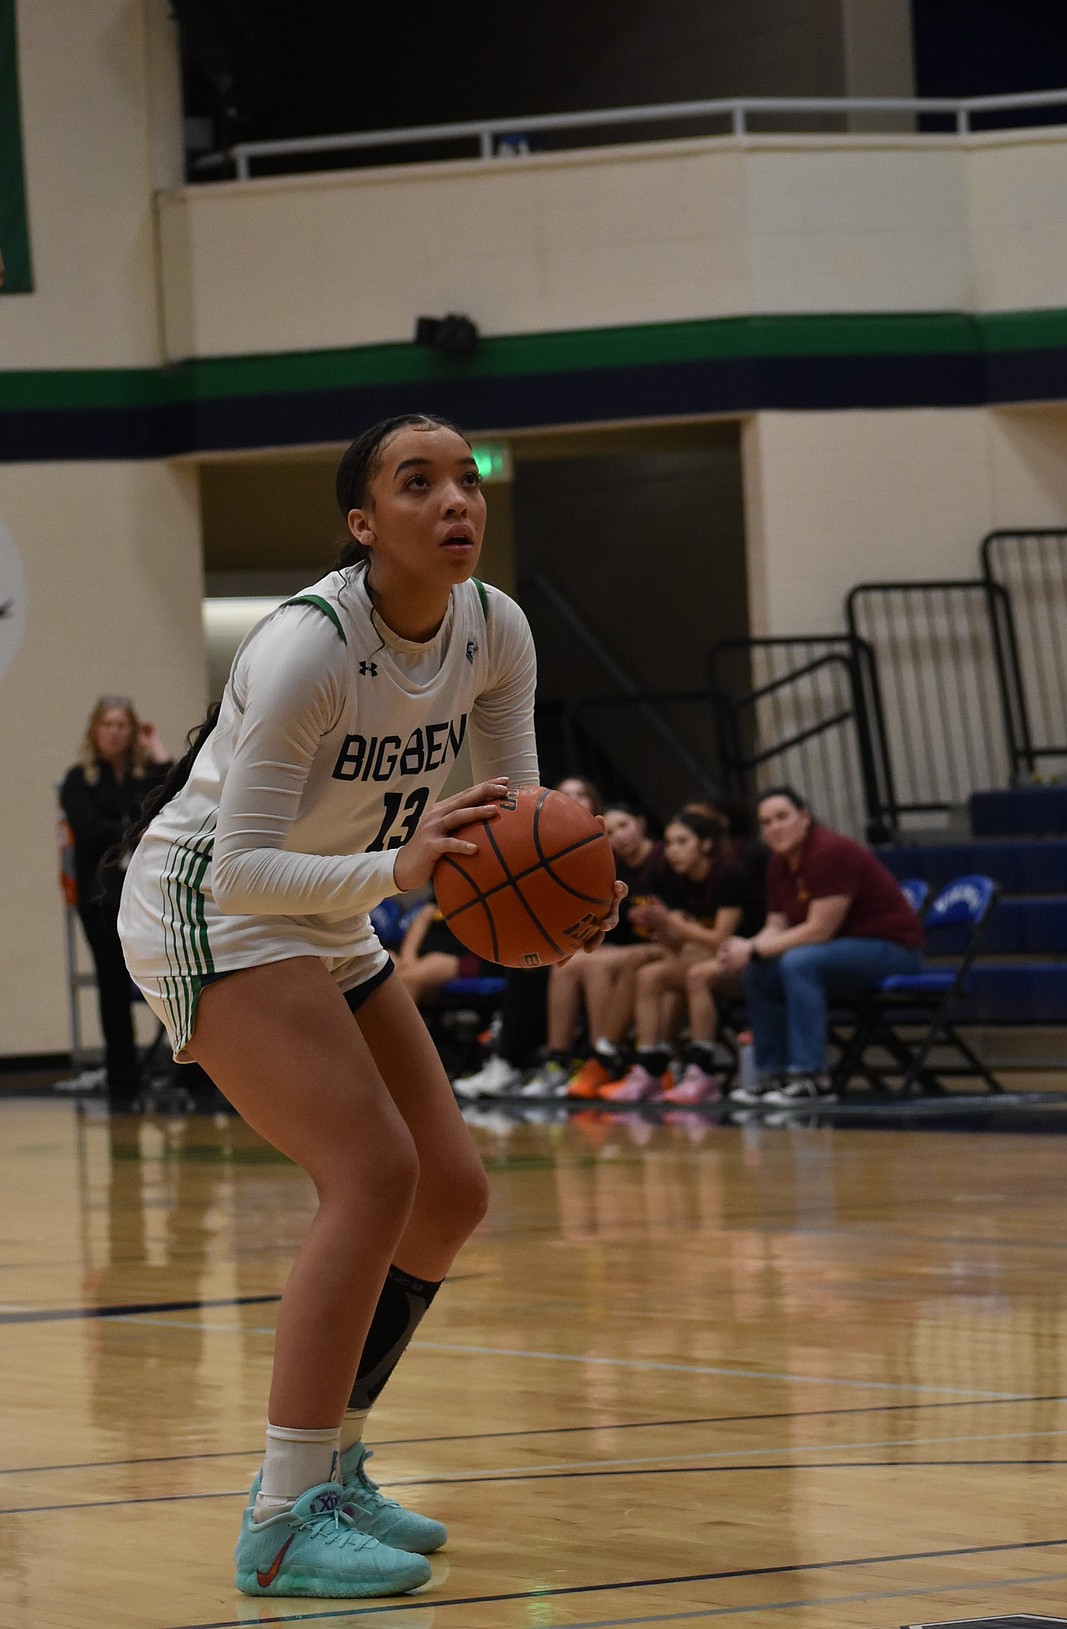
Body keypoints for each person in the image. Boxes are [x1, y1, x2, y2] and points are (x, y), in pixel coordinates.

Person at [116, 413, 621, 1600]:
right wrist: (401, 876)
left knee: (449, 1188)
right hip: (210, 910)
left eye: (467, 480)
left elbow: (516, 817)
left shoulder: (496, 627)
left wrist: (563, 894)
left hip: (330, 914)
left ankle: (335, 1465)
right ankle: (286, 1516)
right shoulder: (306, 648)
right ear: (363, 523)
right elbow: (237, 869)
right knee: (373, 1173)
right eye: (419, 482)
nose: (456, 500)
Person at [717, 786, 923, 1106]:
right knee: (758, 971)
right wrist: (744, 948)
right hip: (837, 953)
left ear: (804, 817)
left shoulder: (830, 851)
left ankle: (812, 1078)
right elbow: (776, 925)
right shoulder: (778, 863)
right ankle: (771, 1074)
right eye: (766, 822)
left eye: (782, 817)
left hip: (892, 950)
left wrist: (755, 949)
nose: (774, 827)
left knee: (798, 962)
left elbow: (818, 931)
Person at [454, 775, 604, 1098]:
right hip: (559, 942)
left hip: (600, 944)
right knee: (526, 965)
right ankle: (509, 1063)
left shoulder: (602, 846)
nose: (573, 799)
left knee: (559, 967)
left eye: (581, 793)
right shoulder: (534, 845)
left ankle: (565, 1061)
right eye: (565, 794)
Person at [60, 697, 171, 1104]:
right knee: (111, 984)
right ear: (95, 730)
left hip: (147, 896)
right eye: (108, 724)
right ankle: (123, 1080)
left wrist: (158, 750)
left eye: (123, 724)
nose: (116, 732)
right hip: (102, 898)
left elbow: (173, 805)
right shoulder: (80, 780)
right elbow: (88, 832)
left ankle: (187, 1071)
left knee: (168, 977)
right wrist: (133, 828)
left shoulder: (145, 775)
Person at [600, 808, 749, 1103]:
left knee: (696, 975)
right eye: (668, 843)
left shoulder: (728, 873)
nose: (673, 851)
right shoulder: (679, 878)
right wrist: (659, 925)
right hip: (711, 959)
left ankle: (703, 1073)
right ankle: (650, 1070)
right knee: (649, 975)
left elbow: (721, 938)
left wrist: (675, 923)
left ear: (704, 844)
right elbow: (678, 947)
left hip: (749, 964)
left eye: (682, 842)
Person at [524, 801, 669, 1096]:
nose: (619, 837)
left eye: (624, 826)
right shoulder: (613, 865)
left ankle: (602, 1058)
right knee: (574, 961)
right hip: (628, 946)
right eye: (611, 832)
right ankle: (559, 1060)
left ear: (640, 824)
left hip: (663, 946)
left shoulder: (666, 858)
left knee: (596, 962)